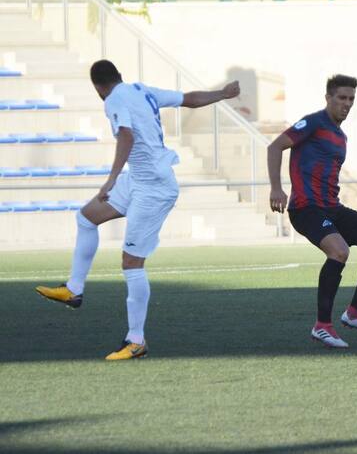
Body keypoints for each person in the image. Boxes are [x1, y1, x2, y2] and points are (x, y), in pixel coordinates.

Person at [35, 60, 240, 360]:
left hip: (153, 187)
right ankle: (74, 289)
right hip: (138, 180)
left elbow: (127, 136)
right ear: (119, 76)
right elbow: (188, 99)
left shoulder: (113, 99)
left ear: (98, 87)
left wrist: (111, 179)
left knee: (132, 264)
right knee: (87, 218)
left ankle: (136, 340)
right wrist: (221, 93)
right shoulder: (141, 90)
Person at [267, 74, 357, 348]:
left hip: (332, 208)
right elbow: (275, 146)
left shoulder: (340, 136)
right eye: (341, 98)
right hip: (306, 209)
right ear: (328, 98)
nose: (347, 104)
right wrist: (276, 188)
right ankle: (322, 326)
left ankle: (354, 313)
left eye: (351, 99)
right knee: (339, 251)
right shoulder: (313, 123)